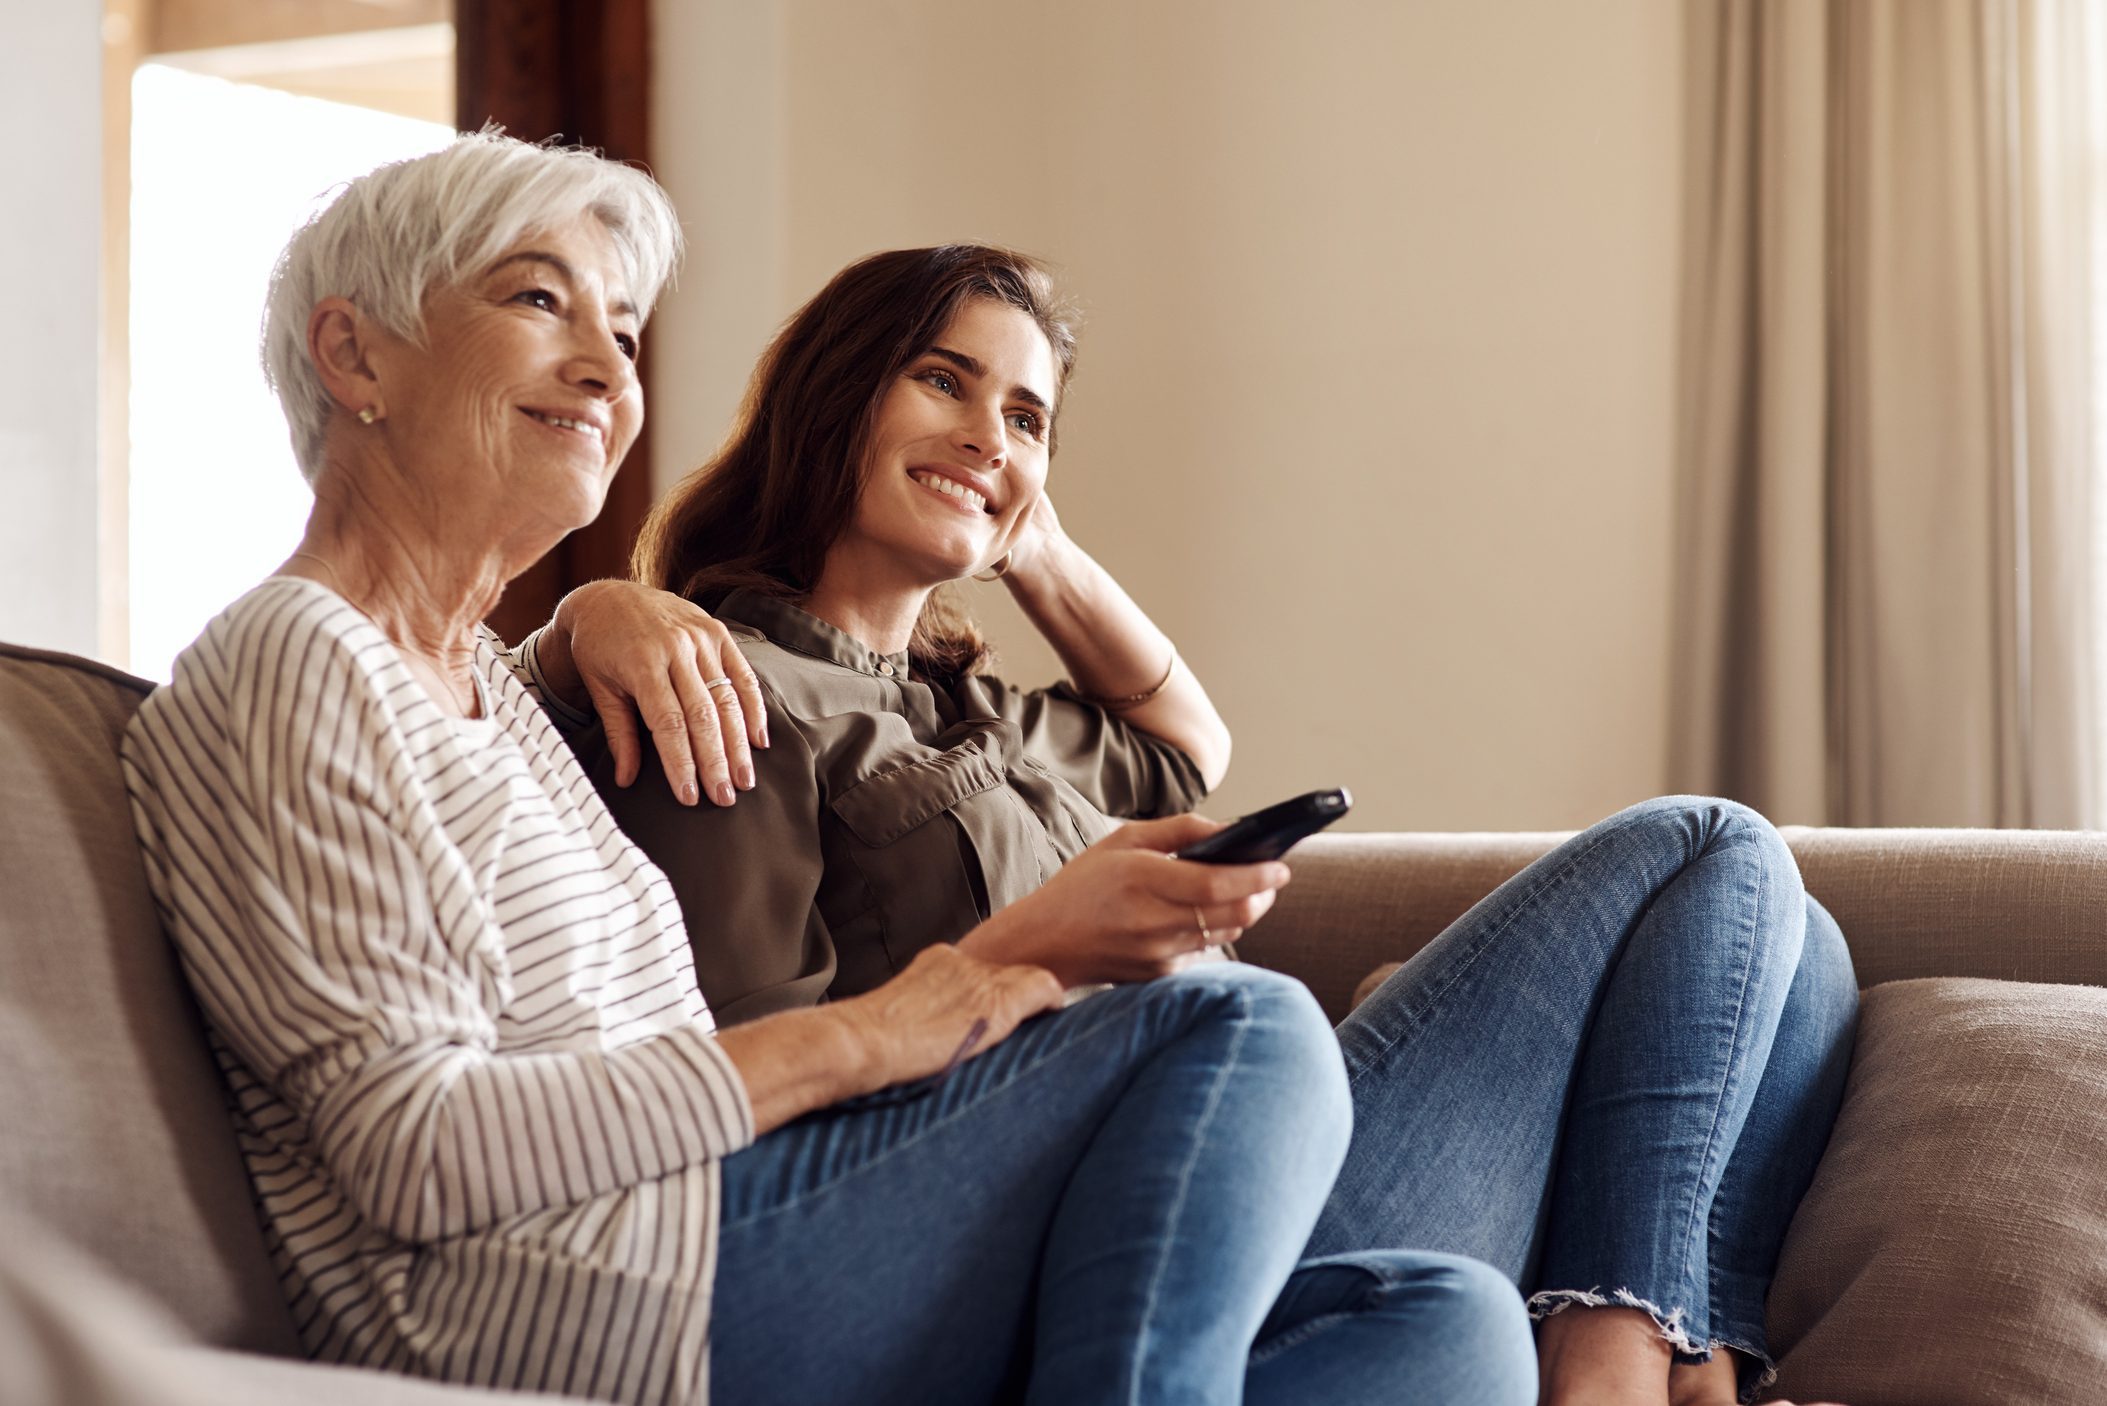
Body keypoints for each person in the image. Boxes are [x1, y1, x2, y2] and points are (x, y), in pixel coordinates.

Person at [118, 137, 1538, 1406]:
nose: (612, 369)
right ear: (354, 357)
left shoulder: (486, 677)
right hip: (578, 1305)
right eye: (538, 300)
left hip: (709, 1231)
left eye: (622, 327)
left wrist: (584, 617)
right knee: (1239, 1025)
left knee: (1447, 1323)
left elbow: (1179, 742)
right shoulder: (294, 661)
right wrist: (947, 1003)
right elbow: (419, 1151)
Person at [531, 244, 1859, 1406]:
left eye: (1029, 415)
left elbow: (1181, 744)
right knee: (1715, 847)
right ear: (834, 397)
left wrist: (1025, 533)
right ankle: (1612, 1364)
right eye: (943, 381)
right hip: (1135, 1175)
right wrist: (595, 610)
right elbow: (756, 1084)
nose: (992, 431)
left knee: (1806, 955)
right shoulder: (714, 685)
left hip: (1258, 1147)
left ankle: (1695, 1362)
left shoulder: (964, 703)